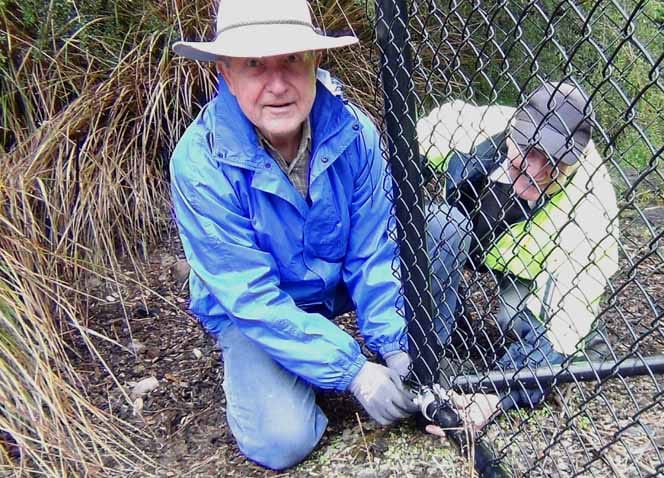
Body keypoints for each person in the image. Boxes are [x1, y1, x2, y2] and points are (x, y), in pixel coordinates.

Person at [168, 0, 421, 470]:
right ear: (225, 72)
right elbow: (251, 298)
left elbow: (374, 249)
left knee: (441, 227)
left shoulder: (355, 132)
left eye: (292, 58)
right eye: (254, 65)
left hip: (330, 284)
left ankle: (394, 359)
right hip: (252, 310)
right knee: (283, 441)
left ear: (315, 60)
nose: (278, 85)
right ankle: (294, 367)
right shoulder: (199, 164)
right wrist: (354, 372)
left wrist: (395, 347)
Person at [418, 80, 620, 429]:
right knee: (439, 225)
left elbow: (563, 324)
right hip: (466, 236)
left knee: (520, 319)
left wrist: (494, 396)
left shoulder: (593, 207)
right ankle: (428, 347)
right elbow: (407, 150)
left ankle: (588, 345)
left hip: (530, 268)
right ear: (513, 130)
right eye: (530, 149)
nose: (537, 169)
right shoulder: (478, 127)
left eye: (557, 161)